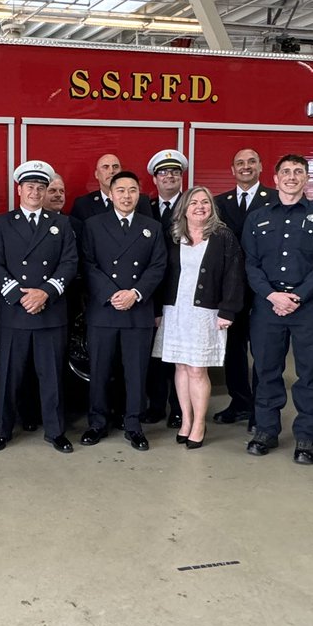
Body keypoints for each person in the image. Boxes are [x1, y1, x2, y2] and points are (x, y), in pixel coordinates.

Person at [242, 153, 313, 464]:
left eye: (298, 171)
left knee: (310, 374)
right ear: (275, 178)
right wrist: (273, 295)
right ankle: (266, 430)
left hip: (309, 308)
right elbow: (250, 263)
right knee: (266, 370)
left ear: (306, 178)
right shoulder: (257, 218)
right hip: (267, 307)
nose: (291, 176)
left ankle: (306, 436)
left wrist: (297, 296)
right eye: (285, 171)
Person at [0, 160, 79, 453]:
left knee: (51, 376)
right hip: (14, 311)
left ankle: (55, 431)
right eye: (30, 187)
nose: (36, 192)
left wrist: (46, 293)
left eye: (41, 187)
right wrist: (19, 295)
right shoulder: (2, 223)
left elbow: (70, 263)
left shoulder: (61, 224)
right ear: (19, 190)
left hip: (49, 311)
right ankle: (2, 430)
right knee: (9, 376)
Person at [151, 186, 245, 448]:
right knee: (180, 367)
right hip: (175, 311)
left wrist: (228, 311)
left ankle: (200, 424)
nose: (200, 207)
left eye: (205, 202)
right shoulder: (172, 235)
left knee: (197, 369)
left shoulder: (222, 236)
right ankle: (185, 420)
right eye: (193, 203)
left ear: (212, 208)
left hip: (206, 313)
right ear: (184, 209)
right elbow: (161, 276)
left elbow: (234, 275)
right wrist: (158, 311)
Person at [79, 170, 167, 450]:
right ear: (111, 193)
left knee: (136, 371)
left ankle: (133, 424)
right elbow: (87, 264)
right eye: (121, 190)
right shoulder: (93, 225)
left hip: (137, 311)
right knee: (100, 370)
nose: (126, 196)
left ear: (139, 193)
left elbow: (158, 266)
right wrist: (112, 294)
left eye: (132, 190)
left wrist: (135, 293)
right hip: (104, 310)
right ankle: (97, 422)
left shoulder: (151, 227)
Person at [213, 148, 274, 427]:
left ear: (261, 166)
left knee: (263, 352)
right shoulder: (219, 202)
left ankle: (261, 409)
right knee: (233, 350)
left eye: (251, 161)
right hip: (231, 290)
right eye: (240, 163)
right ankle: (239, 402)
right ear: (232, 170)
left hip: (267, 289)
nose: (246, 166)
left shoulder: (275, 199)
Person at [143, 149, 188, 429]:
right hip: (150, 293)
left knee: (180, 357)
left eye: (174, 172)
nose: (169, 176)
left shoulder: (193, 205)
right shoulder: (143, 207)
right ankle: (156, 406)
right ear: (155, 180)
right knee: (154, 356)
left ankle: (179, 410)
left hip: (182, 293)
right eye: (163, 172)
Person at [70, 153, 155, 221]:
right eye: (105, 167)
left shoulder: (141, 200)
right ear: (96, 174)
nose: (111, 171)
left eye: (115, 167)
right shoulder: (83, 204)